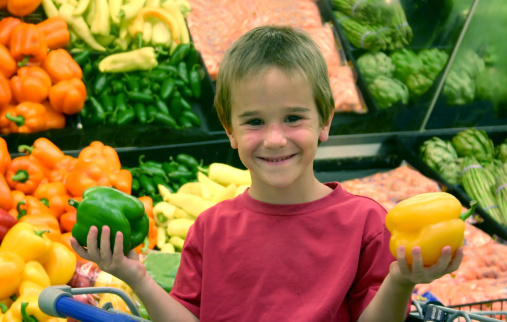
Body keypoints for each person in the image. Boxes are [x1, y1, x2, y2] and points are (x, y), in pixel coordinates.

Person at [71, 25, 463, 322]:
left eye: (293, 118)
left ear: (325, 122)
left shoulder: (366, 223)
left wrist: (400, 280)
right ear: (230, 130)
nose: (275, 139)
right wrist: (134, 275)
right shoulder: (211, 228)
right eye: (254, 121)